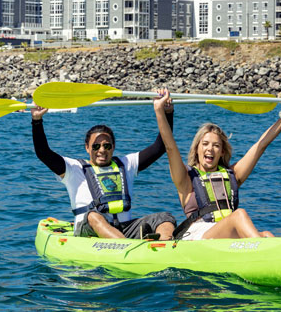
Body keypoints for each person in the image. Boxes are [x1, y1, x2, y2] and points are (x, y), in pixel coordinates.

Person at [153, 89, 281, 240]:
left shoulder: (232, 175)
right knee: (239, 214)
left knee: (267, 234)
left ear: (222, 152)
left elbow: (260, 145)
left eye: (216, 145)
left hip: (227, 235)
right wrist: (159, 110)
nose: (210, 149)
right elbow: (170, 147)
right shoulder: (186, 179)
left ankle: (274, 253)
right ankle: (262, 250)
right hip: (198, 237)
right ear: (197, 149)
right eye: (205, 144)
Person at [31, 102, 176, 240]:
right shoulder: (73, 168)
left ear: (113, 147)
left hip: (124, 229)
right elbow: (43, 153)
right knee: (93, 215)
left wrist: (167, 113)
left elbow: (160, 147)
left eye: (107, 146)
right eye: (96, 146)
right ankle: (129, 248)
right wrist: (37, 121)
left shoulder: (126, 164)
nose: (101, 150)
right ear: (87, 148)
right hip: (89, 230)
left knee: (164, 218)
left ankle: (165, 247)